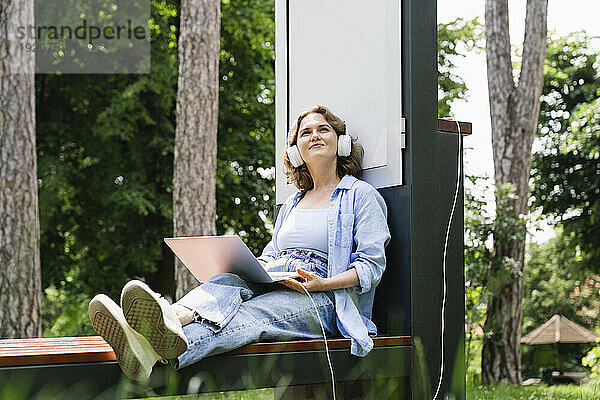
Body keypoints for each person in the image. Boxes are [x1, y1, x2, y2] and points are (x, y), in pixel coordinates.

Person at [88, 105, 391, 381]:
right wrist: (254, 266)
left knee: (253, 314)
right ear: (296, 151)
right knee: (227, 279)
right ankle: (166, 322)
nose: (314, 136)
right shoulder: (292, 204)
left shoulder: (361, 196)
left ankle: (149, 347)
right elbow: (274, 253)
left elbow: (370, 268)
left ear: (341, 142)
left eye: (323, 129)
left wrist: (320, 284)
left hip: (327, 298)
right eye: (305, 132)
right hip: (280, 276)